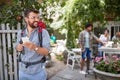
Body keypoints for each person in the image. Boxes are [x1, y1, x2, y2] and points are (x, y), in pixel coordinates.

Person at [16, 9, 50, 80]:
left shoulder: (43, 32)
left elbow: (46, 52)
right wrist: (18, 48)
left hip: (38, 73)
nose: (36, 20)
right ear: (26, 19)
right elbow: (17, 46)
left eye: (37, 17)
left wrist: (35, 47)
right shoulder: (21, 32)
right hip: (22, 72)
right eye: (33, 17)